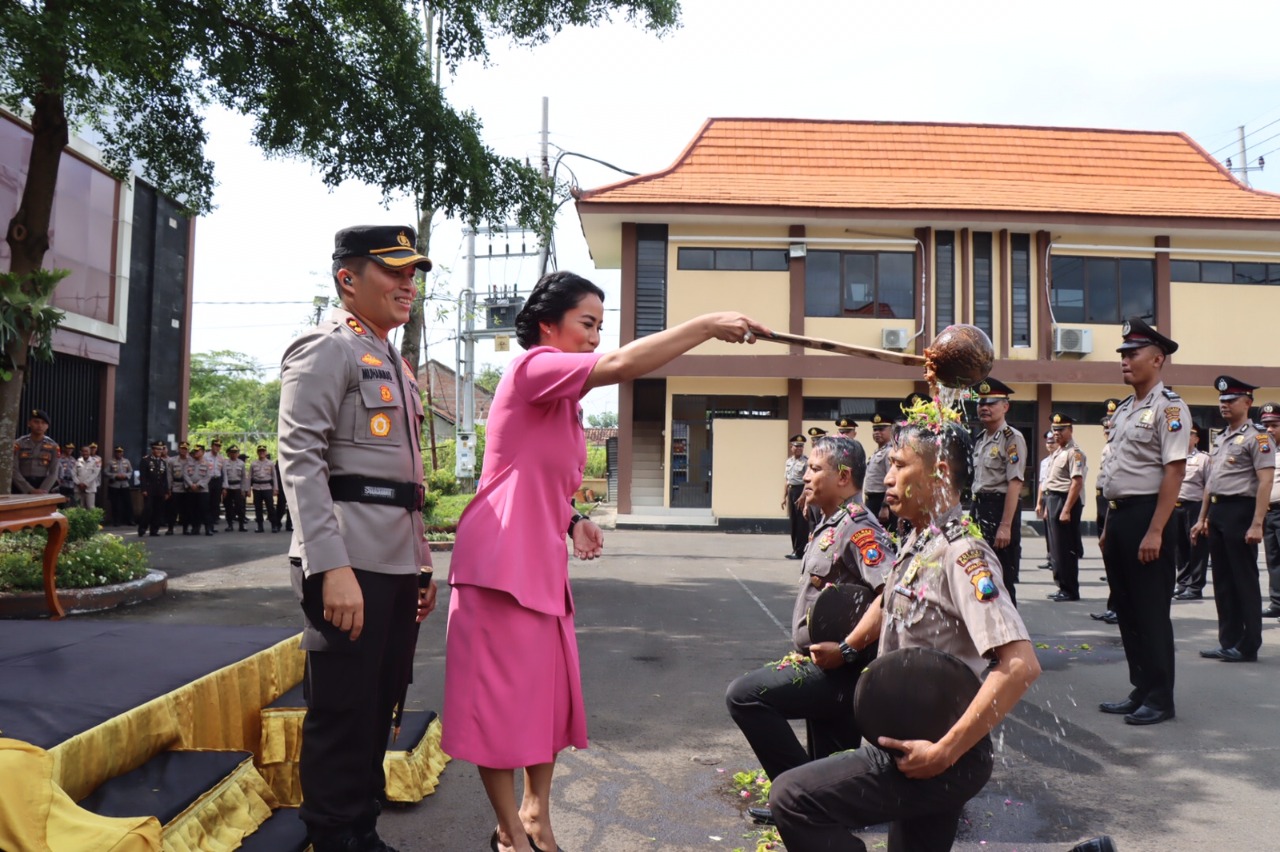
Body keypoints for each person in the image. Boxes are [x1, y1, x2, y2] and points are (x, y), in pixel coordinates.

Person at [442, 270, 767, 852]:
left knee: (545, 697)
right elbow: (621, 367)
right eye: (586, 324)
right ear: (549, 325)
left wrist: (572, 518)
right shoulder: (532, 366)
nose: (596, 337)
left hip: (537, 564)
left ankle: (537, 816)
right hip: (499, 565)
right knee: (500, 703)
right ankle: (511, 832)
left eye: (599, 325)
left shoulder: (561, 399)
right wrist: (706, 324)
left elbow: (532, 476)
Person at [769, 418, 1040, 852]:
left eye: (899, 464)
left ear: (939, 474)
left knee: (793, 798)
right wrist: (846, 647)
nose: (887, 476)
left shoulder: (961, 554)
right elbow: (883, 602)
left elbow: (1020, 666)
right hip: (910, 744)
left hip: (940, 755)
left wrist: (945, 752)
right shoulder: (918, 542)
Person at [278, 224, 439, 852]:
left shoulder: (392, 360)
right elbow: (301, 458)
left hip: (394, 564)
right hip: (347, 560)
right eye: (394, 271)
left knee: (380, 705)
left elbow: (406, 482)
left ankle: (360, 832)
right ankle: (333, 837)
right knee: (343, 711)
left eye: (413, 273)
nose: (409, 283)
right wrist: (330, 567)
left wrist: (421, 566)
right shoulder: (327, 348)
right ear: (348, 278)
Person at [726, 436, 892, 793]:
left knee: (744, 695)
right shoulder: (831, 522)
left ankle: (799, 795)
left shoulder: (860, 529)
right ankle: (815, 800)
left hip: (841, 670)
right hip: (824, 662)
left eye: (816, 469)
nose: (806, 475)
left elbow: (889, 595)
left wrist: (846, 649)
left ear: (843, 476)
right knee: (831, 776)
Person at [1096, 318, 1186, 726]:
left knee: (1150, 611)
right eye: (1123, 355)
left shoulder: (1169, 408)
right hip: (1119, 519)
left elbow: (1174, 472)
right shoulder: (1127, 409)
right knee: (1128, 610)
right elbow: (1116, 469)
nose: (1125, 361)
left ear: (1157, 358)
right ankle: (1140, 688)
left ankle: (1160, 697)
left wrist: (1155, 529)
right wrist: (1106, 528)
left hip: (1150, 516)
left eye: (1132, 354)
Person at [1193, 375, 1272, 663]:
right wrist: (1202, 518)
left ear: (1248, 403)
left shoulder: (1259, 438)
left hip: (1242, 511)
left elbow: (1265, 482)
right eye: (1221, 400)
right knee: (1223, 580)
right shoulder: (1222, 437)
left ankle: (1248, 644)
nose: (1223, 405)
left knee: (1244, 580)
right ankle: (1228, 641)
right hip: (1218, 512)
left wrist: (1256, 523)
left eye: (1230, 400)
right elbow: (1211, 482)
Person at [970, 378, 1027, 606]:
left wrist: (1005, 525)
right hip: (979, 507)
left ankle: (1012, 634)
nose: (985, 407)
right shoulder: (980, 439)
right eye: (982, 402)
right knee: (981, 572)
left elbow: (1015, 482)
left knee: (1002, 574)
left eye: (992, 403)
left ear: (1005, 406)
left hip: (1000, 509)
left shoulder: (1011, 438)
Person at [1043, 414, 1086, 602]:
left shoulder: (1074, 453)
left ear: (1070, 430)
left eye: (1061, 429)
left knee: (1065, 548)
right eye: (1054, 429)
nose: (1057, 433)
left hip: (1064, 500)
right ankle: (1061, 585)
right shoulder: (1057, 452)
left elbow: (1076, 482)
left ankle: (1070, 589)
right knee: (1055, 548)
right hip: (1053, 499)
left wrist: (1066, 509)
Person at [1173, 422, 1210, 600]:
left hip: (1195, 506)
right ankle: (1182, 583)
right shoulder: (1174, 457)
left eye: (1190, 434)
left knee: (1197, 547)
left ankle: (1195, 587)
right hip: (1176, 506)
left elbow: (1209, 487)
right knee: (1179, 547)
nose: (1186, 438)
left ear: (1196, 439)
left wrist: (1206, 515)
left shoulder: (1204, 459)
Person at [1261, 403, 1280, 620]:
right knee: (1273, 561)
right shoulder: (1266, 451)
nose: (1269, 430)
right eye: (1265, 425)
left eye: (1274, 425)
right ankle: (1277, 602)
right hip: (1268, 512)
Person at [12, 409, 59, 494]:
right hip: (20, 486)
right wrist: (29, 489)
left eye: (43, 423)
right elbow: (14, 469)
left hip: (43, 485)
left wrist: (43, 490)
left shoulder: (53, 446)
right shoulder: (18, 444)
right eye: (36, 422)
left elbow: (54, 472)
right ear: (29, 423)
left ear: (47, 426)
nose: (40, 425)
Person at [863, 412, 893, 521]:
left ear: (891, 431)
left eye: (881, 429)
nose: (877, 432)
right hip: (871, 500)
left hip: (881, 501)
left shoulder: (890, 451)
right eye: (875, 429)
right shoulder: (878, 451)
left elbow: (891, 481)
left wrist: (885, 506)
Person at [782, 434, 808, 559]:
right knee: (793, 522)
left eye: (801, 446)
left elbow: (807, 481)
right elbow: (787, 481)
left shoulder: (806, 462)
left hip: (800, 492)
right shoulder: (788, 462)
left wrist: (803, 496)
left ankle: (801, 551)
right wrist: (784, 497)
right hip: (791, 491)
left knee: (801, 523)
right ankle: (795, 549)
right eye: (796, 446)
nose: (799, 448)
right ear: (791, 447)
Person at [137, 440, 171, 537]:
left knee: (158, 510)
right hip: (149, 489)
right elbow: (143, 476)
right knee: (148, 509)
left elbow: (165, 478)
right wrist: (143, 489)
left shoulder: (163, 462)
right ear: (152, 449)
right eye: (157, 449)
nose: (160, 451)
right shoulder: (145, 460)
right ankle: (142, 528)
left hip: (160, 490)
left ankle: (154, 530)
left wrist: (166, 491)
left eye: (161, 449)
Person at [1035, 429, 1057, 573]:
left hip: (1056, 498)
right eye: (1048, 443)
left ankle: (1057, 561)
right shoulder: (1045, 462)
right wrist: (1038, 503)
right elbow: (1042, 483)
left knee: (1056, 534)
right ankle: (1050, 558)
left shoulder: (1062, 457)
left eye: (1052, 442)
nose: (1050, 445)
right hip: (1047, 497)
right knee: (1048, 532)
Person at [250, 445, 277, 533]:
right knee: (258, 508)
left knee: (270, 507)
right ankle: (260, 526)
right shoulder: (253, 464)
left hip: (267, 487)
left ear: (266, 452)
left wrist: (275, 488)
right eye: (260, 451)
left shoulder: (270, 463)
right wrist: (247, 490)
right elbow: (249, 477)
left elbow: (274, 477)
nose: (261, 452)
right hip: (257, 488)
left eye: (263, 451)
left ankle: (274, 525)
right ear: (257, 452)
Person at [222, 445, 248, 531]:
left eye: (235, 452)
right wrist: (224, 488)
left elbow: (244, 477)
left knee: (240, 507)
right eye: (232, 453)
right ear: (229, 454)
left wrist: (243, 489)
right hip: (228, 487)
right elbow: (224, 476)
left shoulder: (241, 463)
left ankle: (241, 525)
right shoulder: (225, 463)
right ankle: (230, 525)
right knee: (228, 507)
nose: (234, 454)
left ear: (238, 453)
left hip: (238, 487)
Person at [106, 446, 134, 526]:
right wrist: (115, 476)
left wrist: (126, 476)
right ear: (115, 452)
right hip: (114, 485)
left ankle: (130, 520)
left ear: (122, 452)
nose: (119, 453)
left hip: (125, 485)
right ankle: (116, 521)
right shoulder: (110, 462)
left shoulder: (126, 461)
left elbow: (131, 471)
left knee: (128, 503)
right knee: (115, 504)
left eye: (120, 452)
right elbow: (105, 472)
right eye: (117, 452)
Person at [166, 442, 189, 535]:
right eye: (181, 448)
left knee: (186, 509)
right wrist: (169, 488)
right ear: (178, 449)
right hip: (176, 486)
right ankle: (170, 528)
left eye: (185, 449)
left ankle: (185, 528)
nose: (183, 450)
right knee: (173, 509)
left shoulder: (191, 461)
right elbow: (169, 475)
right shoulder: (172, 460)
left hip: (187, 487)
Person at [74, 443, 103, 510]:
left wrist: (86, 483)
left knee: (90, 507)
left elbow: (96, 473)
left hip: (90, 487)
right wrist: (78, 483)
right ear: (81, 452)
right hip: (78, 488)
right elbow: (73, 473)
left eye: (86, 451)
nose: (85, 453)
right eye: (83, 451)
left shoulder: (96, 460)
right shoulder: (78, 461)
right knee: (79, 508)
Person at [207, 439, 225, 530]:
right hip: (208, 481)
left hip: (217, 480)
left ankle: (213, 520)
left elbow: (223, 472)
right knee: (207, 501)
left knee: (216, 501)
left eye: (219, 446)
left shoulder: (221, 458)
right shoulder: (206, 456)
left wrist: (225, 486)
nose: (217, 447)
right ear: (212, 446)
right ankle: (207, 520)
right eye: (215, 445)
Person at [56, 442, 78, 507]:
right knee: (61, 503)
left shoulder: (73, 459)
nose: (70, 450)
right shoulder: (59, 459)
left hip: (71, 484)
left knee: (70, 503)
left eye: (71, 449)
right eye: (68, 448)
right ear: (64, 448)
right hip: (61, 484)